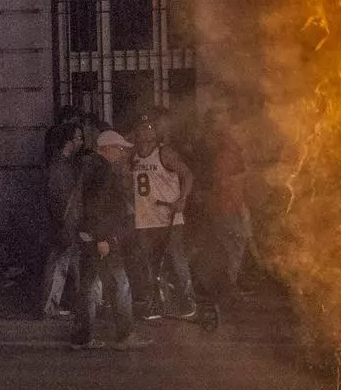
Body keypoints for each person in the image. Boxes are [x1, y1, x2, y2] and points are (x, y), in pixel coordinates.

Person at [72, 131, 139, 349]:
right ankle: (125, 336)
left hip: (88, 234)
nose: (121, 152)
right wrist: (103, 237)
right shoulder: (102, 169)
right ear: (107, 148)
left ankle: (82, 337)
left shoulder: (87, 166)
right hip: (102, 237)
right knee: (120, 283)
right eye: (118, 148)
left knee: (88, 286)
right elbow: (98, 205)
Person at [128, 113, 196, 320]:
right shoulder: (132, 155)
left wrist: (183, 198)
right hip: (145, 219)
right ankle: (156, 303)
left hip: (168, 217)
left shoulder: (164, 153)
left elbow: (188, 175)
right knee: (149, 263)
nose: (145, 132)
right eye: (142, 128)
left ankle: (187, 301)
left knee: (175, 258)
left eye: (149, 128)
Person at [190, 106, 254, 297]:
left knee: (225, 244)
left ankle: (217, 283)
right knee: (232, 243)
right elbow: (222, 179)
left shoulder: (218, 145)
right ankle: (226, 284)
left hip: (223, 203)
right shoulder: (221, 148)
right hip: (224, 204)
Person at [40, 125, 86, 319]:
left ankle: (78, 303)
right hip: (65, 223)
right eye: (78, 138)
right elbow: (59, 198)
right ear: (69, 141)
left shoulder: (64, 164)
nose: (81, 142)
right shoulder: (62, 166)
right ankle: (50, 306)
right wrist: (63, 222)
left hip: (67, 222)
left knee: (70, 262)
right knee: (60, 263)